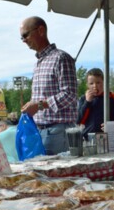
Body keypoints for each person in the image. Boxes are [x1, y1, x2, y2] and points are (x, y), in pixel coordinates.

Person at [20, 16, 78, 155]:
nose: (24, 40)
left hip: (57, 131)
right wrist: (32, 105)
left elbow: (70, 95)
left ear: (41, 30)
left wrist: (39, 105)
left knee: (55, 175)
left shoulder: (61, 58)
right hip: (42, 130)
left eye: (25, 35)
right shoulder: (39, 63)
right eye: (21, 38)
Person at [76, 68, 114, 138]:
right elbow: (78, 120)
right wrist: (87, 102)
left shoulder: (113, 98)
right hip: (88, 139)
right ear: (87, 85)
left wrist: (111, 126)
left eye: (98, 82)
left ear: (104, 82)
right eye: (91, 83)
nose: (95, 86)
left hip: (109, 138)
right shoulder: (83, 99)